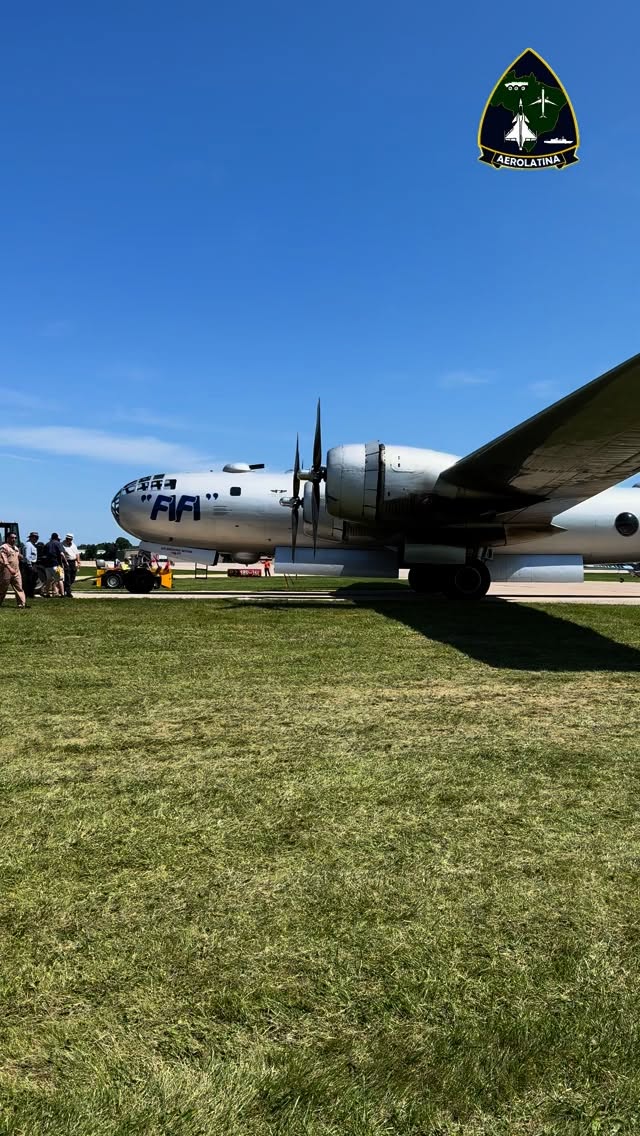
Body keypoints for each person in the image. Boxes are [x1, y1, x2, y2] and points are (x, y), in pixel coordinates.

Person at [0, 532, 27, 608]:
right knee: (2, 589)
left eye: (15, 538)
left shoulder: (15, 548)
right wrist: (10, 568)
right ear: (8, 538)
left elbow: (17, 556)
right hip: (6, 571)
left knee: (19, 588)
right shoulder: (4, 547)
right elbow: (4, 559)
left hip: (16, 571)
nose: (14, 539)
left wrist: (21, 556)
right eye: (12, 538)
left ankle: (22, 604)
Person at [43, 532, 67, 598]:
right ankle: (62, 594)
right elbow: (62, 554)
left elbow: (44, 555)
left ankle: (47, 593)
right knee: (60, 579)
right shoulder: (58, 544)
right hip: (56, 565)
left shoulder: (47, 544)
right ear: (57, 538)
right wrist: (66, 562)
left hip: (47, 566)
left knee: (48, 580)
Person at [21, 530, 40, 598]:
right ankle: (28, 594)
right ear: (31, 537)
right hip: (29, 564)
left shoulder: (32, 544)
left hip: (32, 563)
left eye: (37, 537)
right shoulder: (28, 545)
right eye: (35, 537)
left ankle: (30, 593)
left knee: (33, 580)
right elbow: (27, 556)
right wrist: (30, 565)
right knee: (29, 580)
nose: (36, 539)